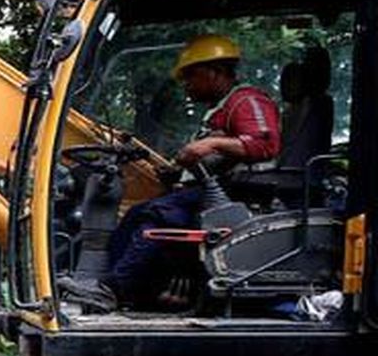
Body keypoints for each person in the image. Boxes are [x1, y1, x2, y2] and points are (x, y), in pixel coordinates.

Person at [59, 34, 282, 312]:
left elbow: (266, 144)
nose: (186, 85)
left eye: (191, 76)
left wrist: (209, 144)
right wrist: (176, 171)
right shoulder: (222, 107)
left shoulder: (246, 101)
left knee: (154, 221)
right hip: (210, 192)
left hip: (232, 195)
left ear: (214, 72)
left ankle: (111, 289)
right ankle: (111, 287)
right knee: (140, 217)